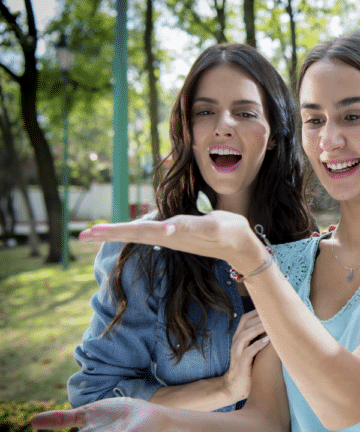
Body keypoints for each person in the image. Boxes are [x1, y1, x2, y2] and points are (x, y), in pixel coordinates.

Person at [32, 30, 360, 431]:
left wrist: (249, 256)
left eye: (353, 116)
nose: (330, 139)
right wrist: (155, 418)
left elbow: (349, 400)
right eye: (314, 119)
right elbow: (266, 422)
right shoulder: (291, 262)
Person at [66, 43, 316, 414]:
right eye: (205, 112)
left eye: (245, 112)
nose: (223, 126)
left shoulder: (311, 248)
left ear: (275, 134)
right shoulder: (145, 253)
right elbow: (96, 395)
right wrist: (225, 388)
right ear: (188, 132)